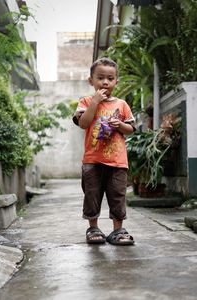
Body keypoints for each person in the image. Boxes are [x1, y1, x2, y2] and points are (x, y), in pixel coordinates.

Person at [72, 57, 136, 245]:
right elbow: (83, 123)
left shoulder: (122, 104)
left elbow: (131, 129)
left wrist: (120, 125)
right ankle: (93, 228)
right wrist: (95, 102)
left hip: (118, 160)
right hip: (93, 160)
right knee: (92, 194)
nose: (105, 82)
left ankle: (118, 230)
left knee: (117, 195)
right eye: (100, 78)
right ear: (91, 80)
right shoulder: (85, 102)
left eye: (110, 78)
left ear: (116, 81)